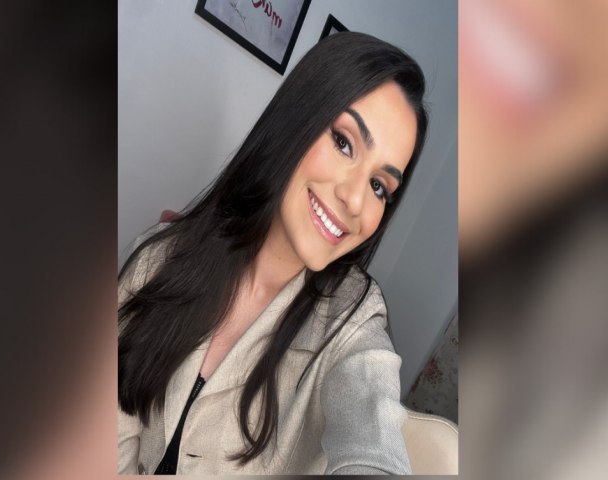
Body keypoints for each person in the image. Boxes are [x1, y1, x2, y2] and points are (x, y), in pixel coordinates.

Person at [118, 31, 428, 475]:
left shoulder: (352, 324)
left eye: (380, 186)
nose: (356, 200)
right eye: (344, 143)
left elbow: (372, 442)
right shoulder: (157, 260)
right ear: (295, 122)